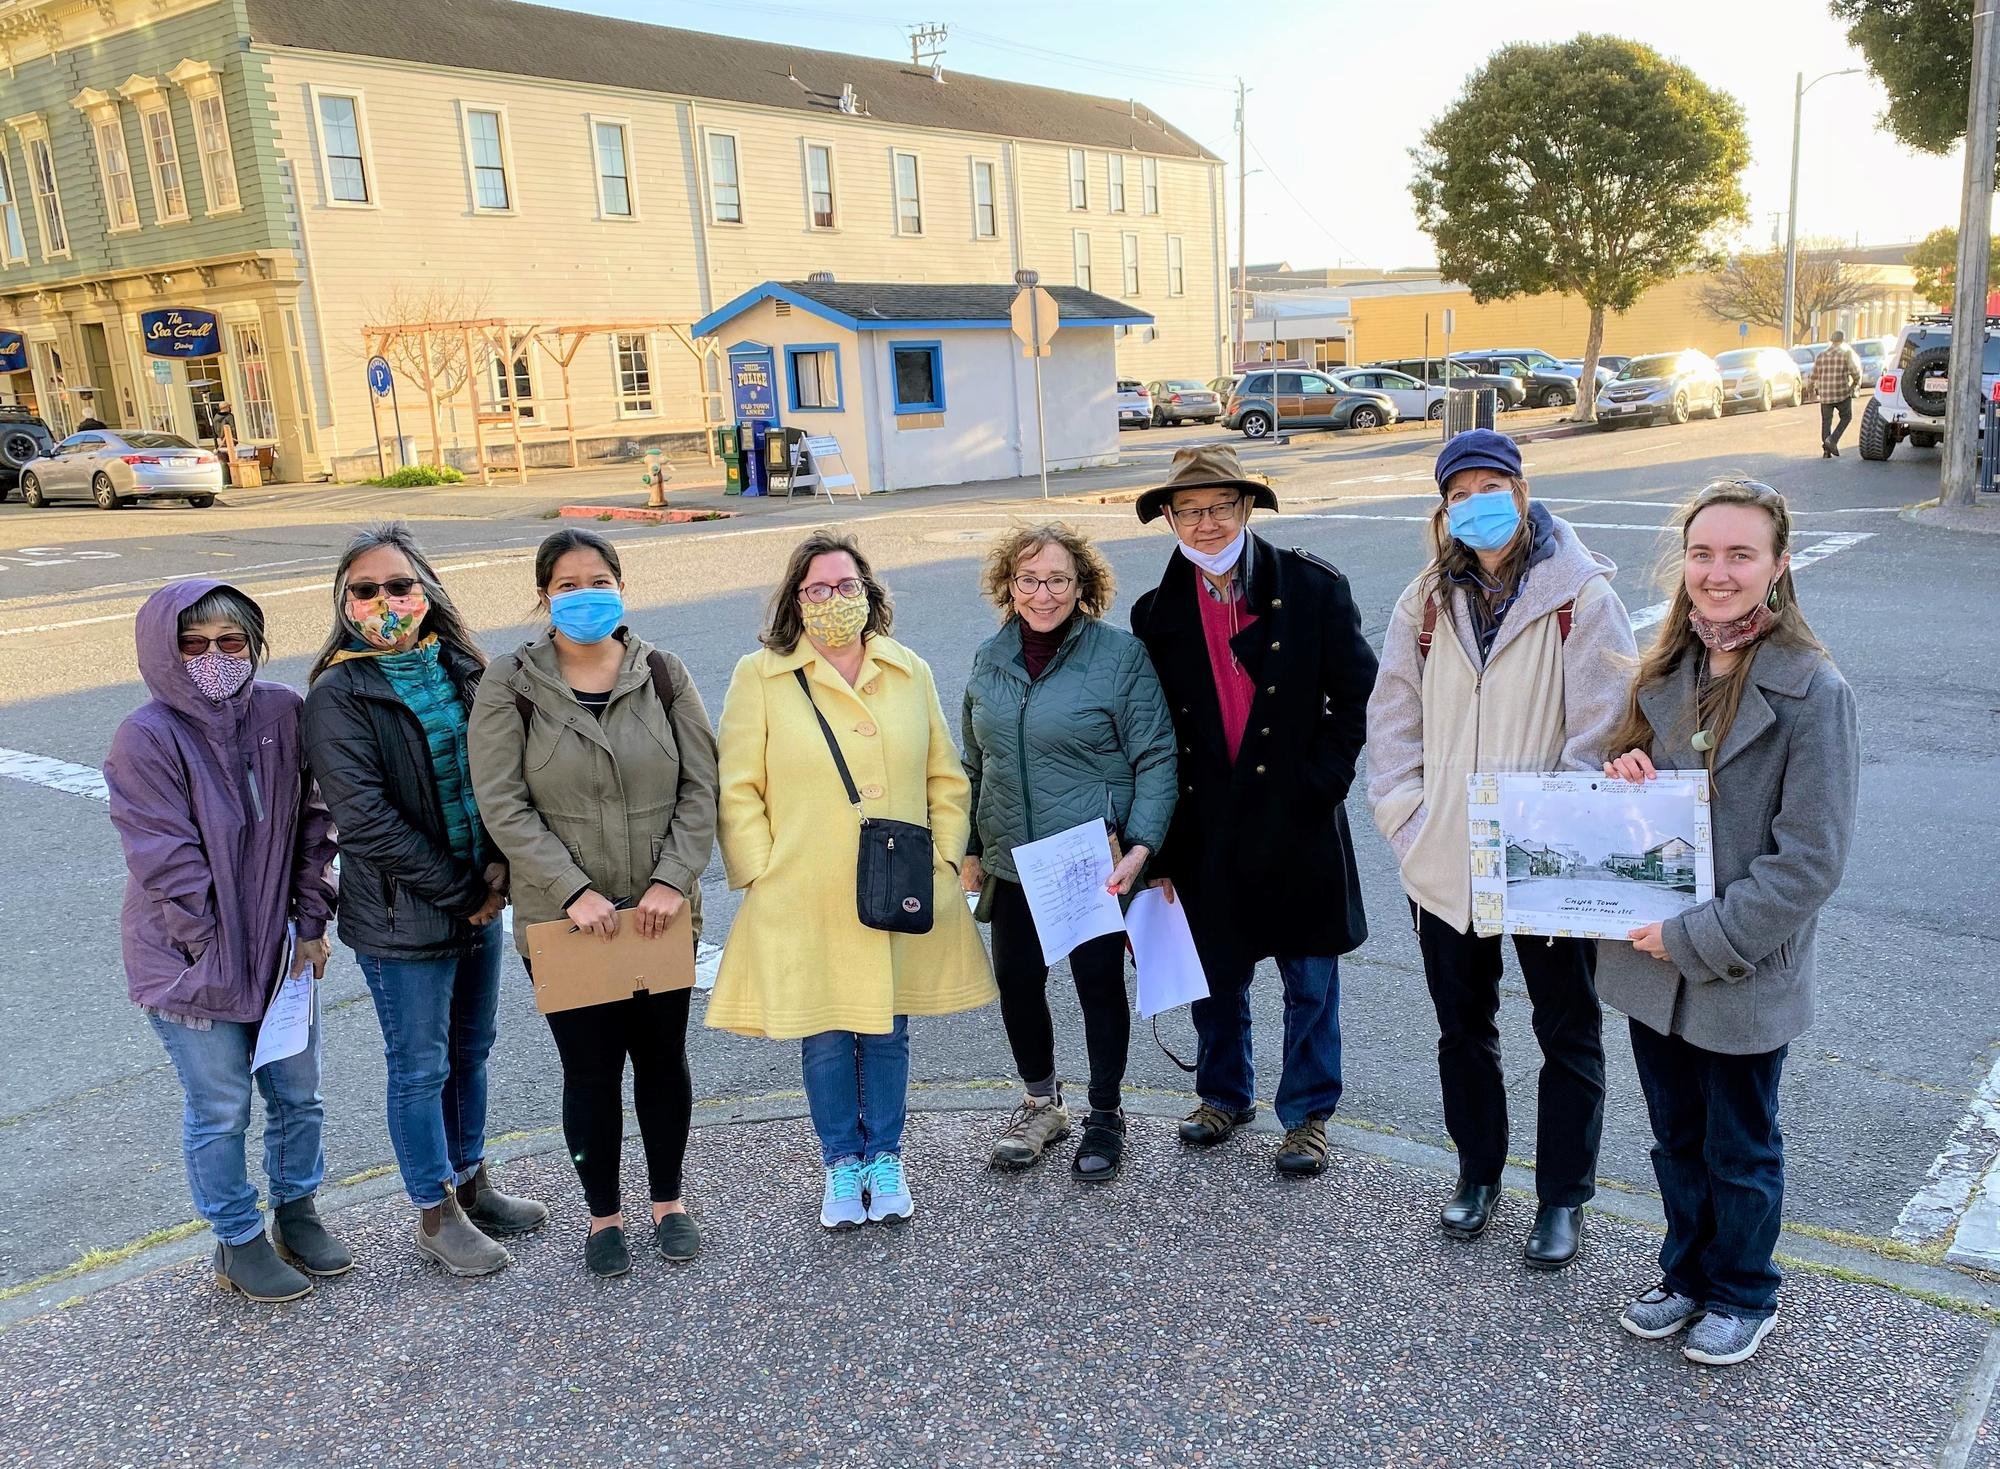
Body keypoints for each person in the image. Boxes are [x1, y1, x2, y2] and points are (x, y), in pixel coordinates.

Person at [1598, 478, 1857, 1367]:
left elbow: (1810, 860)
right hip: (1651, 961)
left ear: (1778, 565)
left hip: (1738, 961)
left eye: (1740, 554)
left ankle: (1744, 1289)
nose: (1718, 572)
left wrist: (1695, 938)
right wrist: (1623, 768)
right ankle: (1685, 1272)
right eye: (1703, 554)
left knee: (1739, 1143)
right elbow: (1616, 778)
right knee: (1675, 1135)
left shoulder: (1815, 691)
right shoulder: (1662, 671)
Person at [1366, 428, 1637, 1269]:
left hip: (1549, 853)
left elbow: (1604, 723)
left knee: (1567, 1029)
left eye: (1491, 487)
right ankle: (1477, 1172)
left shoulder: (1580, 595)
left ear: (1521, 491)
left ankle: (1562, 1198)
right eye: (1459, 493)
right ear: (1443, 508)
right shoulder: (1424, 600)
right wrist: (1406, 818)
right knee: (1462, 1027)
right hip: (1445, 852)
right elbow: (1393, 719)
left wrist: (1554, 825)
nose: (1476, 504)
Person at [709, 531, 995, 1229]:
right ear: (795, 599)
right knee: (827, 1031)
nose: (833, 599)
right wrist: (762, 871)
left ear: (868, 590)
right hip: (803, 887)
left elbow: (945, 775)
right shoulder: (762, 675)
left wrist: (943, 859)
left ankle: (885, 1156)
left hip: (894, 883)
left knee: (889, 1027)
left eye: (845, 585)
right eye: (817, 588)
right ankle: (841, 1161)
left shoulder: (907, 668)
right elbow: (737, 785)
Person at [468, 529, 719, 1279]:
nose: (585, 595)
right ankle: (603, 1214)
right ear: (544, 596)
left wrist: (673, 878)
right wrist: (571, 889)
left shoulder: (663, 673)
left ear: (622, 586)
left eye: (599, 580)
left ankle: (668, 1201)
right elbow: (502, 801)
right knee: (590, 1070)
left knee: (663, 1059)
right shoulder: (511, 683)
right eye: (568, 584)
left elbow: (702, 785)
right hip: (565, 921)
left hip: (658, 912)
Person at [304, 523, 545, 1280]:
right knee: (419, 1065)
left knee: (471, 1050)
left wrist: (501, 865)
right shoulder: (338, 694)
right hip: (405, 915)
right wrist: (466, 891)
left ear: (427, 591)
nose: (385, 601)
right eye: (366, 590)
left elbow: (502, 774)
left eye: (399, 585)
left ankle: (471, 1180)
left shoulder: (464, 667)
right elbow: (366, 820)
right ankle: (436, 1211)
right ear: (344, 602)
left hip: (481, 895)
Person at [1129, 445, 1376, 1179]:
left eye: (1221, 506)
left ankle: (1307, 1115)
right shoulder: (1155, 613)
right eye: (1190, 510)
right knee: (1216, 973)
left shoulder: (1311, 585)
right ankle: (1223, 1095)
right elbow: (1153, 736)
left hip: (1299, 815)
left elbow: (1359, 696)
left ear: (1246, 508)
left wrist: (1324, 779)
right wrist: (1159, 846)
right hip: (1206, 823)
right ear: (1169, 517)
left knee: (1310, 977)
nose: (1206, 523)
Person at [104, 579, 343, 1302]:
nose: (214, 656)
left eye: (231, 641)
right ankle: (237, 1239)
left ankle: (297, 1211)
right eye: (193, 643)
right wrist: (211, 948)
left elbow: (314, 822)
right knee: (221, 1107)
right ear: (165, 651)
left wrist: (311, 922)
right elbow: (165, 858)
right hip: (189, 959)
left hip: (279, 949)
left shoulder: (281, 712)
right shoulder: (147, 736)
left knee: (298, 1095)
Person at [960, 523, 1177, 1182]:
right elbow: (975, 761)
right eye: (1028, 579)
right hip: (1013, 858)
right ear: (1008, 585)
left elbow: (1156, 754)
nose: (1043, 593)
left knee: (1097, 986)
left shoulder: (1119, 656)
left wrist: (1140, 846)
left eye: (1058, 579)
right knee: (1018, 983)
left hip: (1087, 857)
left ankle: (1105, 1113)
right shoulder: (990, 657)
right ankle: (1040, 1104)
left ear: (1082, 585)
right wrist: (970, 846)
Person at [1810, 329, 1863, 458]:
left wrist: (1811, 390)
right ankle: (1832, 440)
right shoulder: (1846, 354)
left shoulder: (1821, 355)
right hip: (1841, 393)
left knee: (1826, 422)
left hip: (1825, 395)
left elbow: (1813, 375)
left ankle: (1826, 451)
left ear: (1831, 340)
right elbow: (1855, 372)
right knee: (1846, 417)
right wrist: (1854, 384)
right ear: (1842, 340)